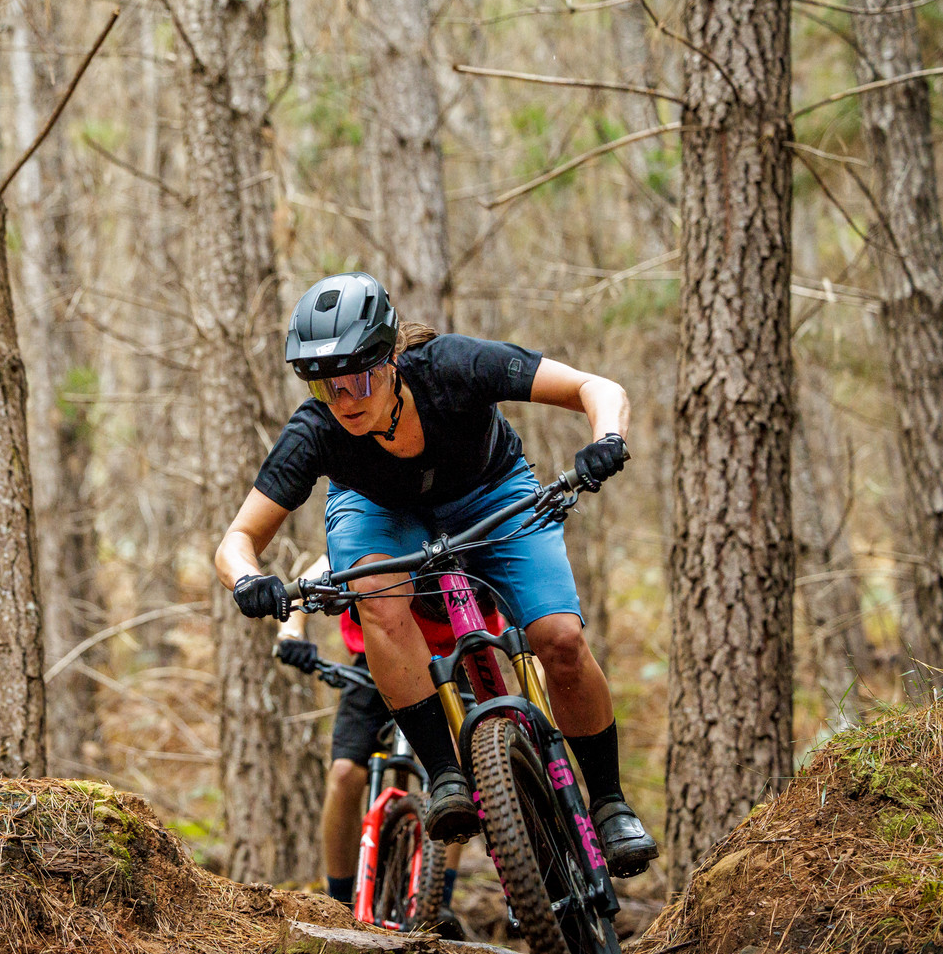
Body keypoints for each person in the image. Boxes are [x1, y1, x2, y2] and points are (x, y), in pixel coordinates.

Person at [213, 271, 658, 882]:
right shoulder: (315, 432)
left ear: (389, 358)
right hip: (379, 514)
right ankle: (446, 774)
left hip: (493, 492)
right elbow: (237, 541)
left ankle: (608, 802)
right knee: (373, 593)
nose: (345, 402)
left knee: (560, 639)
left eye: (358, 379)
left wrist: (606, 438)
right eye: (325, 387)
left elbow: (594, 387)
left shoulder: (453, 366)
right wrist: (246, 580)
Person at [274, 551, 471, 915]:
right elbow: (307, 582)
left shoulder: (453, 524)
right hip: (375, 662)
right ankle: (340, 902)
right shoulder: (366, 531)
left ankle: (436, 902)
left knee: (460, 770)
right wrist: (291, 634)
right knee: (346, 773)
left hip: (449, 662)